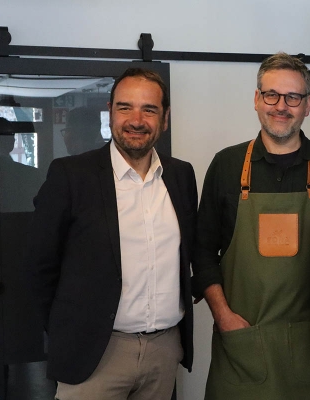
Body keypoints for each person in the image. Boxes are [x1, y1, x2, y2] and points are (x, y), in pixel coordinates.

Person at [26, 68, 197, 400]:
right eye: (125, 107)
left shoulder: (180, 175)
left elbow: (189, 253)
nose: (136, 120)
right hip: (93, 354)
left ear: (165, 118)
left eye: (149, 109)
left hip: (163, 352)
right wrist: (68, 330)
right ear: (110, 111)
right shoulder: (71, 176)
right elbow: (39, 266)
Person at [193, 52, 310, 399]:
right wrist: (223, 316)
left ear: (307, 105)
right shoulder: (227, 165)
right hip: (243, 346)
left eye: (293, 97)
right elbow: (201, 253)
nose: (281, 106)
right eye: (271, 95)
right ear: (256, 99)